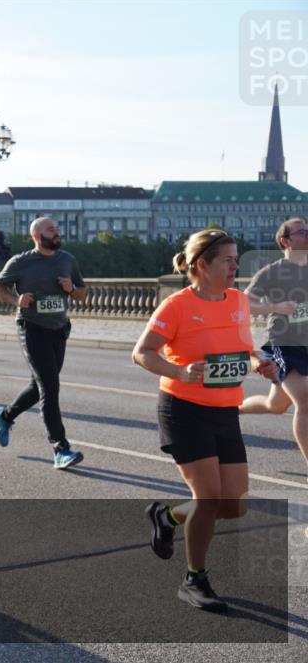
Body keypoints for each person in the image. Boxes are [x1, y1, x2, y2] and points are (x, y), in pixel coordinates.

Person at [133, 229, 278, 612]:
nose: (235, 267)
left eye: (236, 259)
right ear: (202, 265)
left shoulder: (239, 301)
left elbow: (244, 350)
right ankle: (194, 579)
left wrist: (259, 362)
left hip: (225, 411)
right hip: (184, 410)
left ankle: (167, 516)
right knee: (209, 498)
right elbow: (142, 353)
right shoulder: (177, 305)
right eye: (228, 260)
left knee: (233, 506)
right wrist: (179, 372)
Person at [0, 216, 88, 469]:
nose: (56, 232)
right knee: (50, 388)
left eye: (57, 229)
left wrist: (70, 288)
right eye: (51, 229)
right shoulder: (21, 262)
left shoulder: (67, 260)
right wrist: (17, 300)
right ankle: (60, 448)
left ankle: (6, 415)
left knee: (39, 386)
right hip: (32, 329)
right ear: (36, 236)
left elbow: (82, 293)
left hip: (59, 330)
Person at [239, 217, 308, 482]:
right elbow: (244, 304)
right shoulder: (272, 272)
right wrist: (275, 308)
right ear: (285, 241)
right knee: (305, 401)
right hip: (284, 343)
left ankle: (234, 409)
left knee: (275, 405)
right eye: (302, 232)